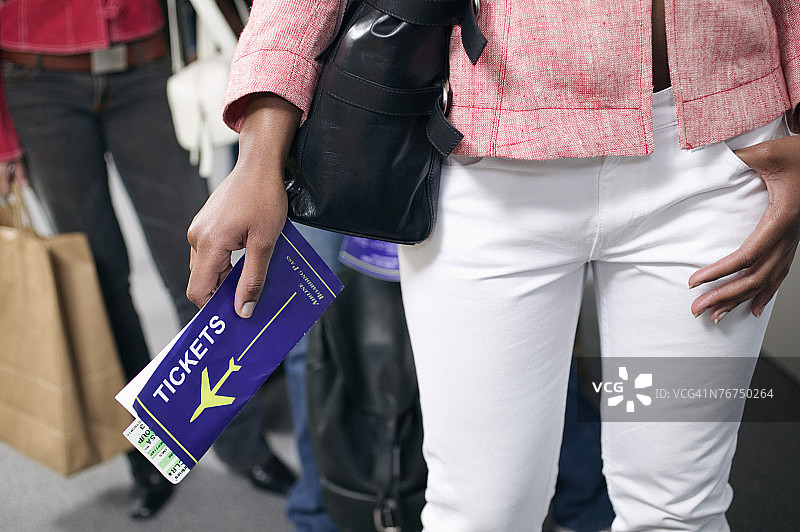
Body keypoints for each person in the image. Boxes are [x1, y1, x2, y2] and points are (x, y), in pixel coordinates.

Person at [186, 1, 800, 530]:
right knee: (484, 511)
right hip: (488, 173)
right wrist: (260, 152)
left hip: (713, 160)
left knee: (678, 508)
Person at [0, 1, 210, 519]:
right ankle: (152, 454)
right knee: (101, 284)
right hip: (38, 83)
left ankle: (240, 442)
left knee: (199, 267)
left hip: (151, 69)